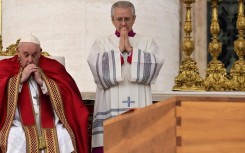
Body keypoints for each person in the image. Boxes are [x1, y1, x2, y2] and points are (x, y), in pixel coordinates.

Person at [87, 1, 164, 153]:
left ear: (134, 19)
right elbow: (97, 70)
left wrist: (130, 50)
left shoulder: (148, 42)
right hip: (109, 107)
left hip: (138, 106)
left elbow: (155, 66)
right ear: (112, 19)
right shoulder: (101, 42)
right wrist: (119, 52)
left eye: (127, 19)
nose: (123, 23)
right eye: (119, 19)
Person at [0, 34, 89, 153]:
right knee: (13, 138)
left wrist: (43, 83)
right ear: (18, 52)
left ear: (40, 52)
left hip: (51, 122)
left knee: (63, 137)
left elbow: (69, 94)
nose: (30, 59)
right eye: (26, 55)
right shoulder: (5, 66)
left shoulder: (53, 66)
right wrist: (19, 80)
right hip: (18, 124)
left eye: (34, 55)